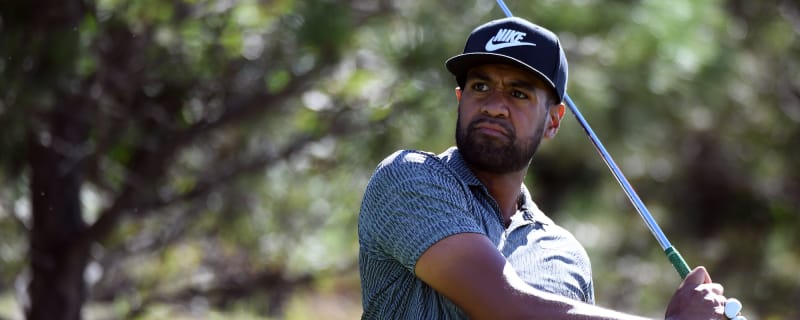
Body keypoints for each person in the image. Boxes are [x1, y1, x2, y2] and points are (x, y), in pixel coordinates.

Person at [358, 16, 741, 319]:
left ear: (554, 120)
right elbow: (504, 307)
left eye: (519, 93)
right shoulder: (409, 179)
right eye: (480, 87)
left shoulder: (566, 257)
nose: (493, 105)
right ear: (460, 98)